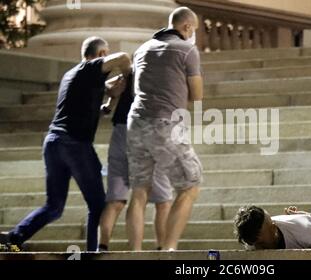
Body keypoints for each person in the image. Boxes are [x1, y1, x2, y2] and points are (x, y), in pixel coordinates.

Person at [0, 36, 131, 252]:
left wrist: (110, 100)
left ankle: (15, 237)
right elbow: (123, 57)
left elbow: (90, 106)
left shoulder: (72, 74)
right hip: (75, 145)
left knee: (54, 206)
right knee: (98, 204)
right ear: (100, 55)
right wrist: (131, 77)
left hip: (53, 144)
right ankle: (92, 254)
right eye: (104, 54)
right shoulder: (91, 67)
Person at [126, 6, 203, 251]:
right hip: (166, 124)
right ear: (187, 27)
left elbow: (134, 89)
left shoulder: (141, 50)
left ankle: (135, 253)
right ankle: (169, 251)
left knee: (139, 191)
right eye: (195, 30)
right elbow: (197, 94)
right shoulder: (187, 49)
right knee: (190, 185)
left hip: (135, 123)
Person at [98, 74, 173, 251]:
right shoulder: (162, 65)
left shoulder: (131, 69)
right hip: (147, 128)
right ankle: (161, 250)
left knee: (115, 199)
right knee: (162, 200)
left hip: (121, 129)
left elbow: (110, 86)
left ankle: (101, 247)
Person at [234, 205, 311, 250]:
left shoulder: (306, 234)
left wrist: (309, 216)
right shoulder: (250, 240)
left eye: (272, 223)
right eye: (270, 226)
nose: (274, 225)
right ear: (257, 238)